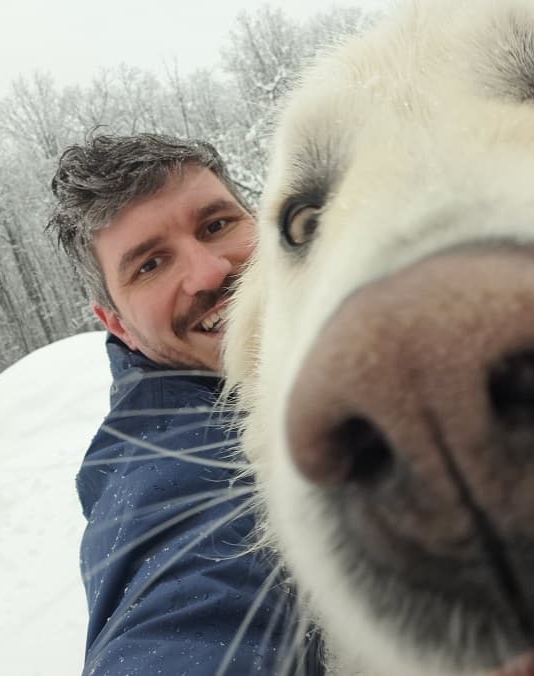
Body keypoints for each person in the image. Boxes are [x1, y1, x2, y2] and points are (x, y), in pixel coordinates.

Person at [48, 132, 322, 675]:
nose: (210, 272)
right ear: (118, 326)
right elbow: (185, 602)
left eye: (217, 225)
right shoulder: (170, 465)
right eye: (150, 265)